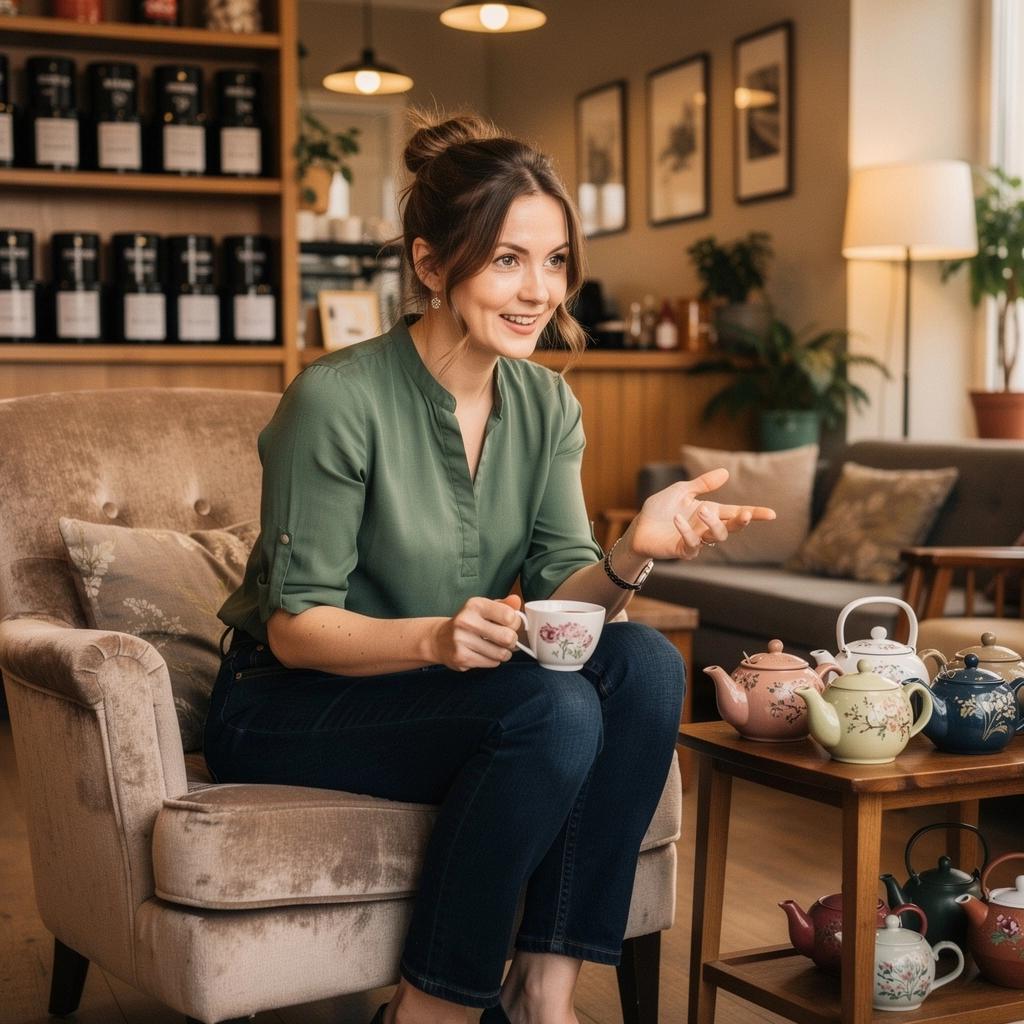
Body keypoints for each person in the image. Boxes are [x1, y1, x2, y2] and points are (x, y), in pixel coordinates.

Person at [205, 111, 775, 1024]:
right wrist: (436, 635)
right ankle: (433, 1006)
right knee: (549, 707)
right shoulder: (336, 400)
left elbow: (564, 600)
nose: (538, 290)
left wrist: (633, 554)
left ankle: (543, 990)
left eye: (554, 262)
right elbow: (294, 628)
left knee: (644, 666)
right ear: (431, 265)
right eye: (507, 259)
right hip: (291, 701)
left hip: (448, 687)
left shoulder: (547, 402)